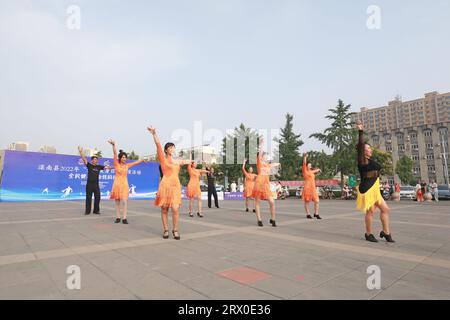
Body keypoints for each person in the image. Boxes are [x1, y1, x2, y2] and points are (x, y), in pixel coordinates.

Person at [148, 127, 191, 240]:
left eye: (173, 147)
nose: (172, 149)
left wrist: (193, 160)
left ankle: (175, 230)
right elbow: (158, 146)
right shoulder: (163, 160)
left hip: (176, 186)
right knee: (164, 208)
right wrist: (154, 134)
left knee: (175, 208)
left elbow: (185, 161)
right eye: (170, 147)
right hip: (165, 185)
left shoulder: (177, 161)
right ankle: (166, 229)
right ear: (166, 150)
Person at [355, 121, 395, 243]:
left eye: (369, 147)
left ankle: (386, 233)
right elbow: (361, 145)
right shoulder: (362, 160)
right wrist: (361, 131)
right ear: (363, 151)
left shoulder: (370, 160)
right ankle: (368, 234)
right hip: (367, 189)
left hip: (375, 189)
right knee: (371, 211)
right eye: (367, 148)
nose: (370, 149)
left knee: (385, 210)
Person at [108, 140, 146, 224]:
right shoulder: (116, 164)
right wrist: (114, 145)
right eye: (123, 157)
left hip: (124, 185)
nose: (124, 159)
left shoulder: (127, 165)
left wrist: (142, 160)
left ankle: (124, 218)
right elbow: (114, 154)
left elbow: (135, 162)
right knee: (117, 202)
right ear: (120, 158)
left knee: (124, 201)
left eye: (125, 157)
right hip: (117, 184)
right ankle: (118, 217)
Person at [252, 136, 281, 227]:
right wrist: (261, 144)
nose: (266, 156)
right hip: (259, 184)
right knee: (257, 202)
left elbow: (273, 164)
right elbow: (260, 152)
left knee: (272, 202)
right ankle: (259, 220)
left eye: (266, 155)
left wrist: (278, 164)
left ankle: (272, 219)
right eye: (264, 155)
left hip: (266, 186)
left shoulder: (268, 165)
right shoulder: (259, 163)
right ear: (261, 157)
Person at [78, 146, 112, 215]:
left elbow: (108, 167)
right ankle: (87, 211)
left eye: (97, 159)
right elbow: (84, 159)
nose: (96, 160)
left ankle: (96, 210)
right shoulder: (89, 165)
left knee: (98, 197)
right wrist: (81, 152)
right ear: (92, 160)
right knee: (88, 198)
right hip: (89, 184)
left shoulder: (99, 167)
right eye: (95, 159)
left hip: (96, 185)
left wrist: (116, 166)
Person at [302, 153, 322, 219]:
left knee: (317, 201)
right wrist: (305, 157)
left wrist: (319, 170)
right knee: (307, 202)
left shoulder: (311, 171)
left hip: (313, 188)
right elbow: (304, 163)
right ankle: (308, 214)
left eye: (311, 165)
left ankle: (316, 213)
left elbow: (316, 170)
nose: (310, 166)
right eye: (309, 165)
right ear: (306, 166)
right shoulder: (305, 171)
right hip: (307, 188)